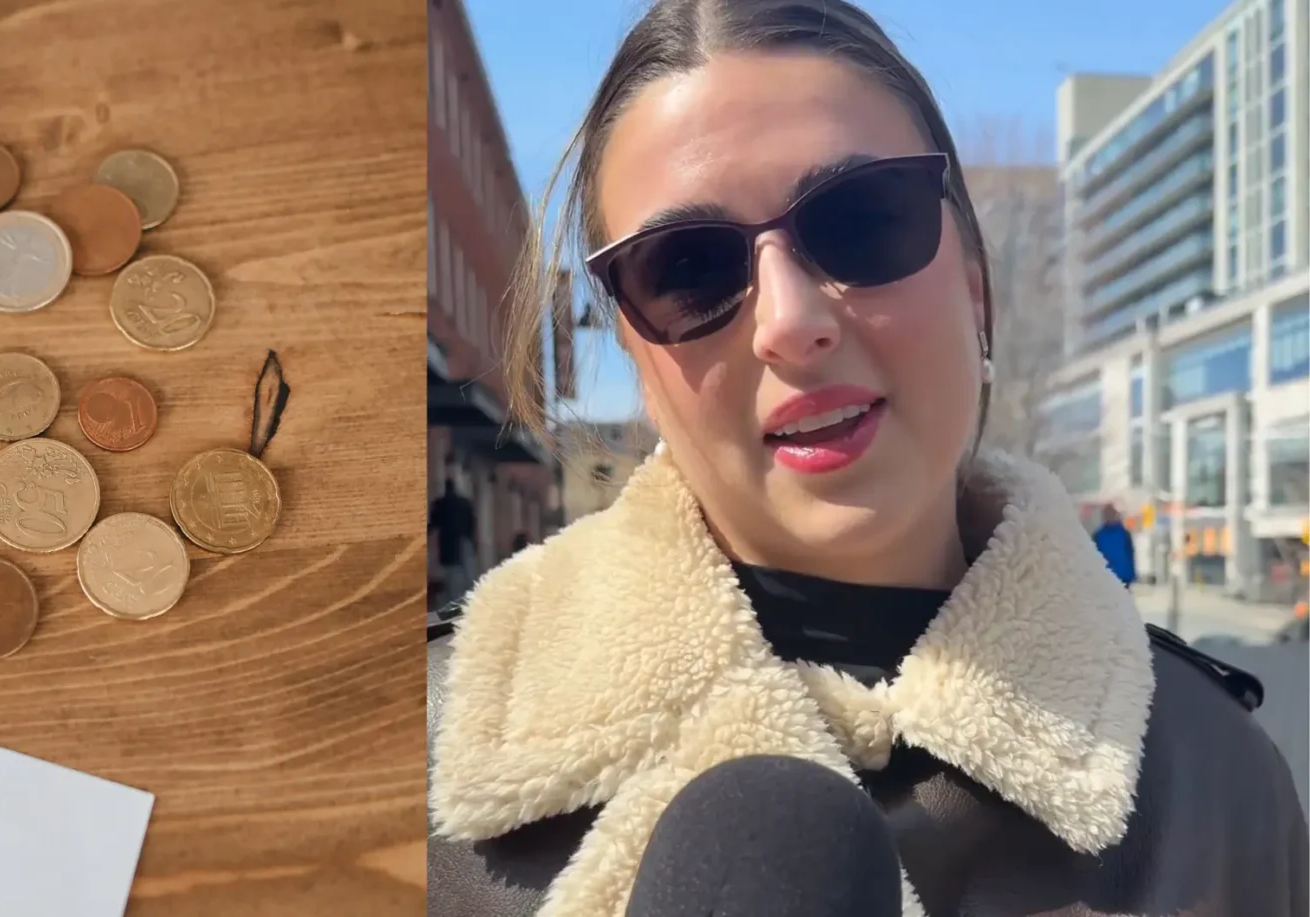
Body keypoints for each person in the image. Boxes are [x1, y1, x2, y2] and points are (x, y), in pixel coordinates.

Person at [426, 2, 1308, 915]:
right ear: (638, 359)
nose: (789, 321)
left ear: (974, 288)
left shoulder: (1215, 788)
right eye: (686, 269)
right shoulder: (420, 750)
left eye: (861, 220)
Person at [429, 478, 478, 607]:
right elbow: (471, 523)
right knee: (465, 572)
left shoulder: (440, 504)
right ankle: (466, 597)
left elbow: (433, 524)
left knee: (450, 572)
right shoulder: (464, 503)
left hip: (446, 542)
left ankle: (452, 599)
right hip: (462, 539)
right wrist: (473, 540)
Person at [1092, 505, 1138, 588]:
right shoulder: (1098, 535)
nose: (1109, 516)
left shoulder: (1124, 534)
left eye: (1111, 513)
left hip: (1123, 577)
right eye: (1107, 514)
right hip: (1105, 578)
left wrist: (1132, 574)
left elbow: (1130, 554)